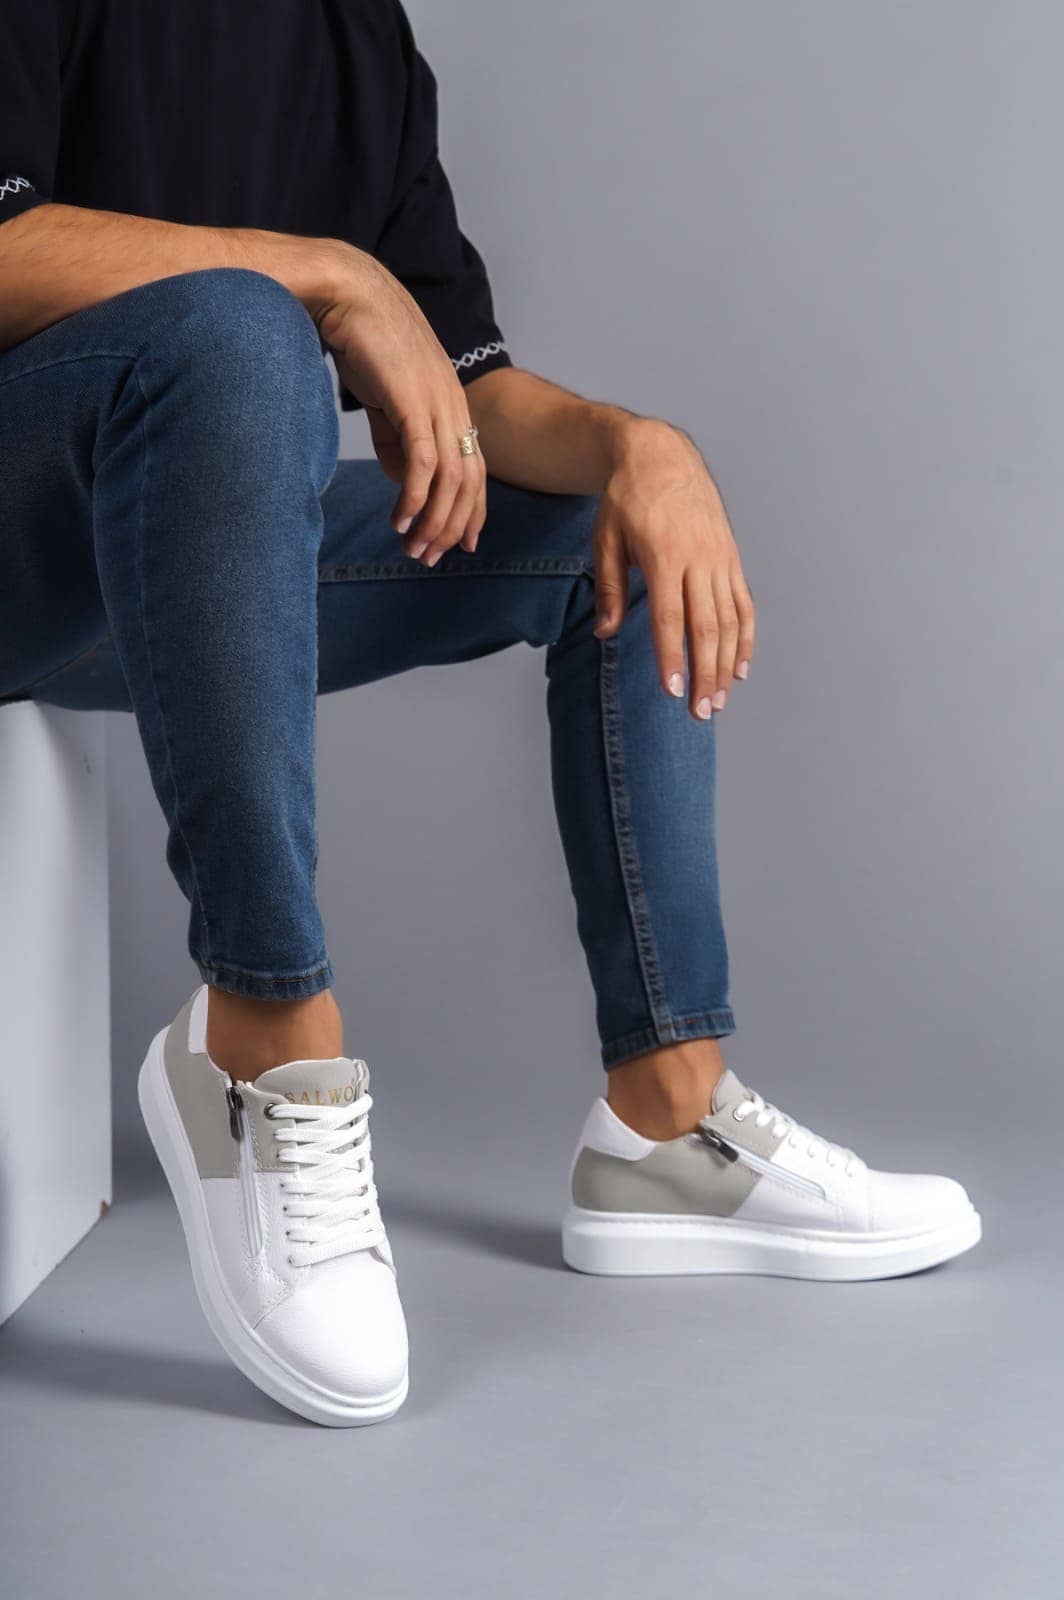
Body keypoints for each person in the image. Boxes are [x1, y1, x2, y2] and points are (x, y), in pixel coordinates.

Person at [0, 0, 980, 1427]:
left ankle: (666, 1122)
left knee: (606, 540)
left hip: (168, 561)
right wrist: (324, 277)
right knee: (240, 324)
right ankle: (263, 1043)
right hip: (18, 539)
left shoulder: (357, 40)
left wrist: (644, 449)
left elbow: (469, 388)